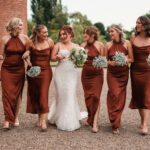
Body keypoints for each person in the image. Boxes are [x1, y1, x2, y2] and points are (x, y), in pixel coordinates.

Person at [48, 25, 81, 131]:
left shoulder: (76, 46)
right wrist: (57, 57)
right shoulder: (58, 45)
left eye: (64, 34)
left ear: (70, 34)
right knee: (61, 94)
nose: (62, 36)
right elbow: (52, 58)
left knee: (70, 93)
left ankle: (70, 120)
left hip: (72, 72)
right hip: (60, 72)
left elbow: (79, 61)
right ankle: (58, 117)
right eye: (60, 34)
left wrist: (79, 59)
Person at [0, 17, 30, 129]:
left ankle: (15, 117)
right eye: (20, 25)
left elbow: (29, 50)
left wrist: (27, 52)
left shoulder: (25, 38)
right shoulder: (4, 39)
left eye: (22, 25)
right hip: (6, 69)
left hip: (19, 69)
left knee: (17, 94)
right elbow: (1, 56)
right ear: (15, 26)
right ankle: (7, 119)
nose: (22, 27)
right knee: (7, 95)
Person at [24, 24, 54, 131]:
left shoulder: (50, 42)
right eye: (44, 32)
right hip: (33, 72)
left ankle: (43, 121)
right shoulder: (30, 42)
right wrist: (28, 60)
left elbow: (53, 58)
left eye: (47, 32)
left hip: (46, 71)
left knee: (43, 94)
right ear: (37, 33)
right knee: (36, 94)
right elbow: (25, 56)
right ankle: (39, 118)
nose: (47, 34)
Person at [105, 24, 133, 134]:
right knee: (114, 94)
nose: (110, 33)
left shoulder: (127, 44)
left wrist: (124, 60)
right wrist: (111, 62)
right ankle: (114, 119)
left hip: (123, 73)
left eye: (112, 31)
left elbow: (132, 59)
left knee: (120, 96)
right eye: (109, 32)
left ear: (118, 32)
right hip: (112, 74)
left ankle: (116, 122)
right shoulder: (107, 45)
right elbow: (104, 60)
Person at [81, 26, 104, 133]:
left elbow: (103, 61)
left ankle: (95, 123)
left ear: (92, 35)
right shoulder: (82, 45)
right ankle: (90, 117)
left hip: (97, 75)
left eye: (86, 33)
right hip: (85, 74)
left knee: (96, 96)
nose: (84, 35)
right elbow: (79, 61)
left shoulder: (100, 45)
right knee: (88, 97)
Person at [129, 16, 150, 135]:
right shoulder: (133, 37)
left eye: (140, 23)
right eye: (136, 22)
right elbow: (129, 53)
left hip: (148, 71)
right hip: (135, 70)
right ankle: (143, 120)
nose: (137, 24)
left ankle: (145, 125)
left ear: (145, 25)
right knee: (139, 96)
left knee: (146, 96)